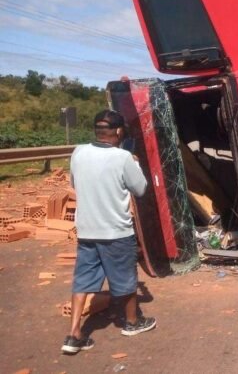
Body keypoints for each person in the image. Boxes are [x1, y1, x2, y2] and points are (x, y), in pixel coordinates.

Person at [61, 110, 156, 354]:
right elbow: (141, 188)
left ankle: (74, 334)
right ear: (118, 131)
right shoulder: (123, 157)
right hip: (116, 232)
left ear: (96, 130)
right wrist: (135, 164)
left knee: (82, 280)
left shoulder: (78, 152)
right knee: (125, 278)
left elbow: (74, 183)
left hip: (87, 230)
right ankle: (133, 323)